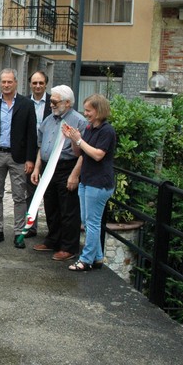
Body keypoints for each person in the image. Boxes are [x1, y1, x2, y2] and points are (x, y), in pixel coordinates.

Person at [30, 85, 87, 259]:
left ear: (67, 103)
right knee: (51, 205)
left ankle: (69, 247)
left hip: (66, 167)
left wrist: (74, 174)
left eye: (55, 101)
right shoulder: (49, 120)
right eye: (51, 101)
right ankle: (53, 240)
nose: (51, 104)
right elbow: (41, 146)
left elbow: (83, 152)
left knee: (68, 208)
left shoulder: (79, 121)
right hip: (48, 167)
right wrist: (38, 167)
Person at [0, 68, 37, 246]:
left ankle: (19, 234)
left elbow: (31, 134)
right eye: (3, 82)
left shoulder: (26, 104)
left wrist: (30, 159)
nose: (6, 85)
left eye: (9, 82)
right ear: (0, 83)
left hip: (18, 157)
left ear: (15, 83)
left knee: (19, 196)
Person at [63, 94, 117, 272]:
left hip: (99, 182)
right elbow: (79, 153)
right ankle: (98, 257)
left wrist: (79, 139)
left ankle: (86, 259)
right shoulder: (90, 128)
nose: (85, 113)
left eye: (88, 110)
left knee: (92, 223)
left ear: (99, 110)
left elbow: (98, 154)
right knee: (87, 222)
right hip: (87, 180)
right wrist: (73, 138)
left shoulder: (107, 131)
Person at [25, 70, 52, 238]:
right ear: (30, 84)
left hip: (48, 151)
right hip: (30, 150)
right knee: (29, 190)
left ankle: (52, 229)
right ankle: (30, 226)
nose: (37, 86)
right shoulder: (23, 102)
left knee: (49, 191)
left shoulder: (53, 102)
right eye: (34, 83)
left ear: (45, 84)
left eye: (41, 83)